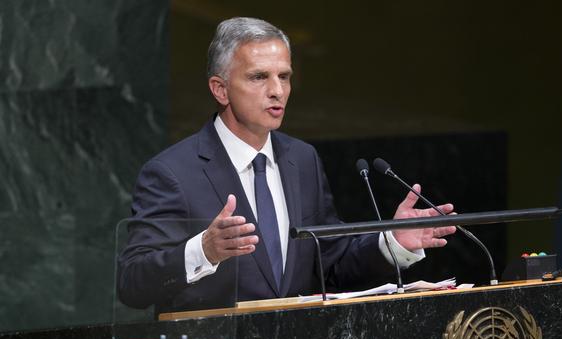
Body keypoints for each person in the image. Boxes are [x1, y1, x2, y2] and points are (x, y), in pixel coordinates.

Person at [117, 17, 456, 313]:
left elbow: (331, 266)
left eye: (285, 76)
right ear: (220, 90)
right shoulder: (172, 172)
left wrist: (391, 243)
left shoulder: (302, 159)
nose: (277, 91)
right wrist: (203, 251)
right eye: (258, 77)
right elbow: (133, 283)